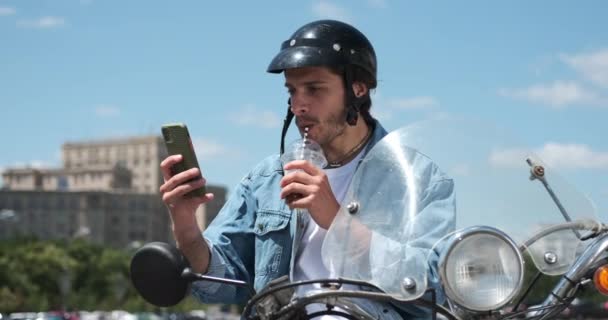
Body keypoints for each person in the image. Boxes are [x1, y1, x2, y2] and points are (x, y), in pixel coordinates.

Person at [159, 19, 455, 319]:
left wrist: (340, 224)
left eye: (314, 89)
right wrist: (186, 229)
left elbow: (434, 288)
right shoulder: (267, 178)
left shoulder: (420, 180)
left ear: (358, 89)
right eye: (292, 90)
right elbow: (222, 284)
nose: (298, 105)